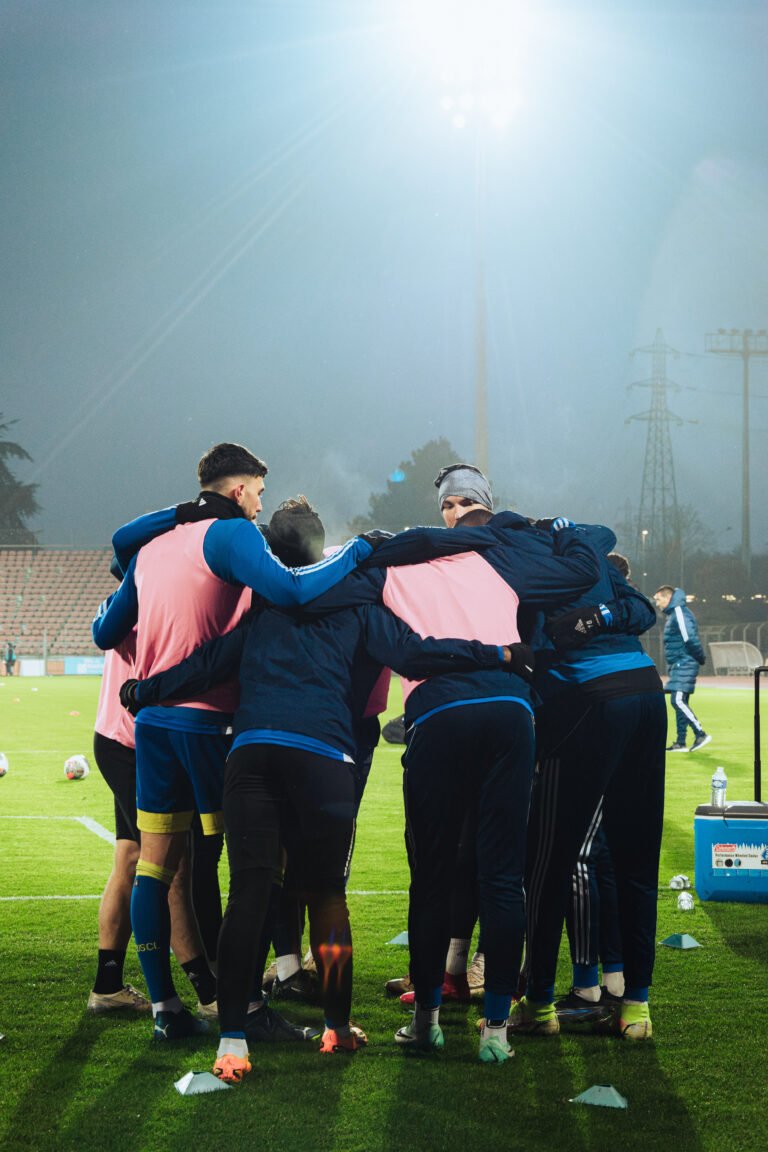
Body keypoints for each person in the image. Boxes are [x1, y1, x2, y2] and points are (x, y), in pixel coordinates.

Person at [118, 497, 524, 1081]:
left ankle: (232, 1041)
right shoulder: (358, 602)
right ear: (322, 544)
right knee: (326, 897)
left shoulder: (260, 607)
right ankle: (335, 1027)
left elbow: (206, 665)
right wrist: (497, 653)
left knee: (250, 891)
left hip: (252, 754)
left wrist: (144, 690)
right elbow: (415, 653)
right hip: (324, 757)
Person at [307, 465, 605, 1061]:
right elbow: (587, 566)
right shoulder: (496, 556)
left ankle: (427, 1022)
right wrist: (560, 530)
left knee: (434, 879)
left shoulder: (386, 566)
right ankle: (495, 1030)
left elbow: (330, 604)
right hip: (509, 712)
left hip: (440, 715)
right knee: (501, 873)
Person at [91, 443, 380, 1043]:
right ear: (241, 489)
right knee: (251, 867)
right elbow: (291, 591)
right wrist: (356, 552)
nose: (258, 505)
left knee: (155, 865)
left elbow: (104, 632)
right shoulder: (232, 534)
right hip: (211, 723)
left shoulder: (153, 548)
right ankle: (244, 1008)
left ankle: (166, 1008)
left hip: (153, 725)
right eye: (258, 492)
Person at [515, 539, 665, 1042]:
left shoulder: (518, 564)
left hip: (587, 700)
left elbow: (529, 647)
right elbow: (642, 608)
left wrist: (587, 622)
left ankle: (538, 1003)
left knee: (550, 859)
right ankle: (635, 1007)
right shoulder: (594, 557)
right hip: (646, 693)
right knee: (637, 861)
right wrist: (602, 615)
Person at [88, 630, 219, 1018]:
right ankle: (207, 991)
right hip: (138, 744)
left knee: (129, 857)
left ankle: (108, 986)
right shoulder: (152, 596)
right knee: (171, 864)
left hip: (119, 738)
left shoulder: (133, 595)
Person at [653, 585, 711, 752]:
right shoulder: (673, 614)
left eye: (658, 599)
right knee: (680, 700)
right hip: (678, 663)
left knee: (677, 700)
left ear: (667, 598)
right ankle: (680, 742)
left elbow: (689, 638)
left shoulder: (679, 612)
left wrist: (699, 658)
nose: (657, 604)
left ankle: (700, 733)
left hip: (684, 663)